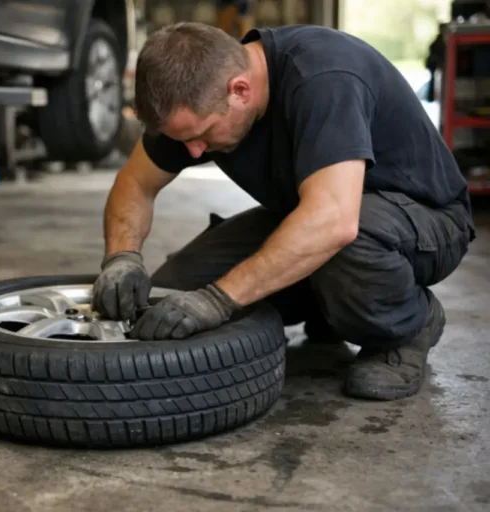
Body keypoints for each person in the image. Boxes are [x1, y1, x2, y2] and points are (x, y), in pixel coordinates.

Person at [90, 22, 475, 401]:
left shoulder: (324, 78)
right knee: (173, 293)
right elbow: (136, 184)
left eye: (200, 136)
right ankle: (328, 303)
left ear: (239, 90)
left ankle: (408, 325)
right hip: (319, 213)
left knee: (344, 242)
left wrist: (217, 300)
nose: (194, 152)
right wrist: (122, 258)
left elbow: (334, 221)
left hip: (424, 221)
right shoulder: (196, 97)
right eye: (184, 140)